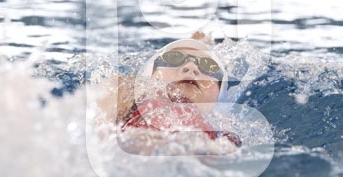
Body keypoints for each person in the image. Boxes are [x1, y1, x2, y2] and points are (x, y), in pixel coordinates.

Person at [95, 32, 241, 148]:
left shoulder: (227, 134)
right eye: (173, 58)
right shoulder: (124, 97)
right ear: (148, 76)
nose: (191, 67)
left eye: (208, 66)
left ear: (220, 94)